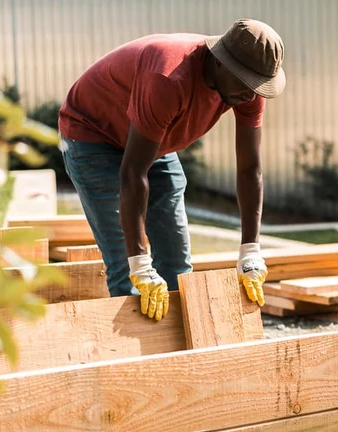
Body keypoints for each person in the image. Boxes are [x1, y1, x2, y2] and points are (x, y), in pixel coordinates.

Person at [58, 19, 286, 321]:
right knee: (129, 271)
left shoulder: (248, 89)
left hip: (152, 139)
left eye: (258, 86)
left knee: (177, 267)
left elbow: (249, 169)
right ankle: (137, 365)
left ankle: (180, 359)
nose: (251, 94)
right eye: (245, 83)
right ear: (219, 62)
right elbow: (132, 174)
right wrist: (140, 263)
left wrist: (250, 252)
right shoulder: (168, 77)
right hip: (94, 135)